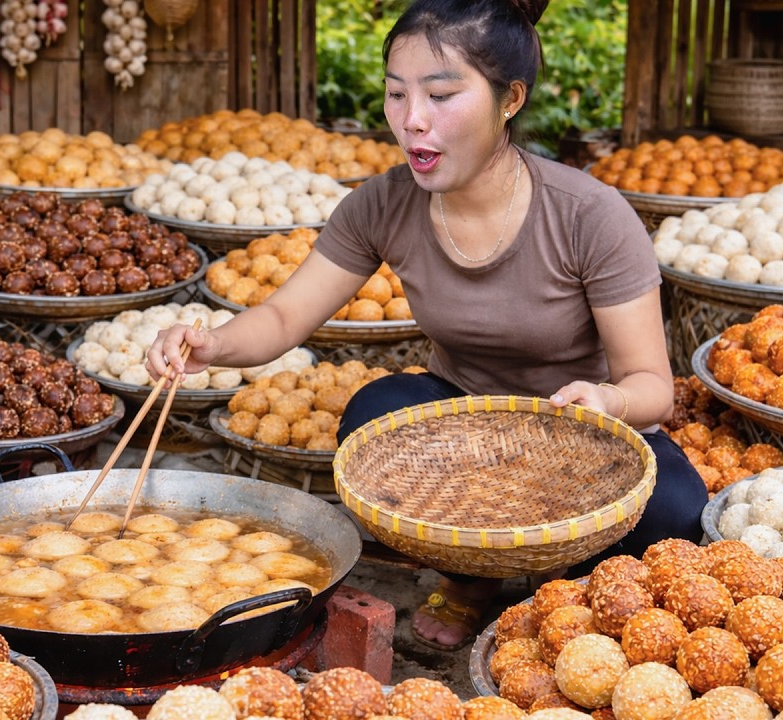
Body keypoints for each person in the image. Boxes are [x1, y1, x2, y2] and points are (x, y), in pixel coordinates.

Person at [149, 0, 706, 652]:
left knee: (672, 513)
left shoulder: (590, 215)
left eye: (441, 95)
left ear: (510, 100)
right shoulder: (382, 204)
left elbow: (651, 387)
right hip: (465, 435)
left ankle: (565, 586)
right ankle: (471, 575)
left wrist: (606, 399)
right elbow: (280, 317)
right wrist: (211, 344)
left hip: (582, 437)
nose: (412, 120)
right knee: (374, 415)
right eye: (395, 94)